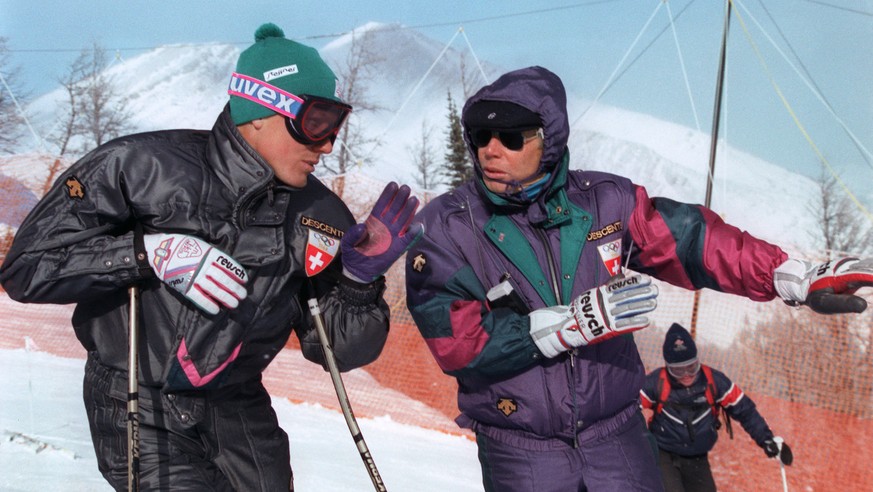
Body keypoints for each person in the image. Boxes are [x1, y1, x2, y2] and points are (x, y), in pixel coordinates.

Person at [403, 65, 873, 492]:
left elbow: (690, 240)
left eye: (509, 136)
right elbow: (456, 343)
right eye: (480, 135)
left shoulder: (604, 202)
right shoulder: (447, 227)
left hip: (617, 437)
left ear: (550, 137)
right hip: (521, 450)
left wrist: (786, 273)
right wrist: (563, 327)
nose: (490, 149)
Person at [0, 23, 422, 491]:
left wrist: (359, 285)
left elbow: (339, 350)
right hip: (140, 399)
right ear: (261, 111)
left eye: (336, 124)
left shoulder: (319, 216)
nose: (325, 144)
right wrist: (146, 253)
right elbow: (27, 268)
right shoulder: (140, 169)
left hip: (240, 417)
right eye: (316, 121)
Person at [640, 323, 792, 492]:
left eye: (691, 367)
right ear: (668, 368)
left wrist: (767, 440)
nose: (687, 375)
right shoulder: (657, 382)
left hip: (697, 458)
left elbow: (745, 411)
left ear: (697, 361)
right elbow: (629, 409)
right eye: (678, 371)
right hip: (664, 455)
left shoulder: (714, 381)